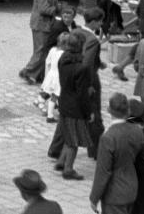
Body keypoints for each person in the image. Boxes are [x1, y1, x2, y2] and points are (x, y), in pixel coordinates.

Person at [56, 32, 91, 180]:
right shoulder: (82, 68)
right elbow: (82, 94)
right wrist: (88, 112)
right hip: (75, 107)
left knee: (67, 135)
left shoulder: (63, 60)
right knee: (74, 141)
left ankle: (61, 161)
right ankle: (68, 169)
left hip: (63, 100)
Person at [20, 0, 59, 84]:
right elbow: (43, 9)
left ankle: (36, 75)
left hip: (44, 24)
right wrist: (57, 9)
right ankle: (27, 71)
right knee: (40, 50)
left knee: (43, 50)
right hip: (41, 24)